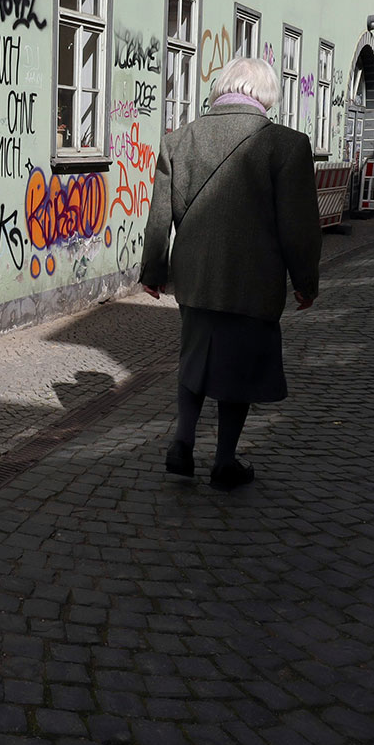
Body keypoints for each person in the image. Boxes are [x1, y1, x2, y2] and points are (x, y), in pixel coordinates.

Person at [138, 57, 321, 491]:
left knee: (194, 358)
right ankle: (224, 461)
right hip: (254, 281)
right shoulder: (286, 144)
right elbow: (299, 224)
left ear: (223, 87)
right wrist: (305, 280)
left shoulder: (178, 140)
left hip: (196, 278)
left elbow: (159, 214)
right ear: (266, 95)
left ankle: (182, 445)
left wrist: (153, 270)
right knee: (238, 369)